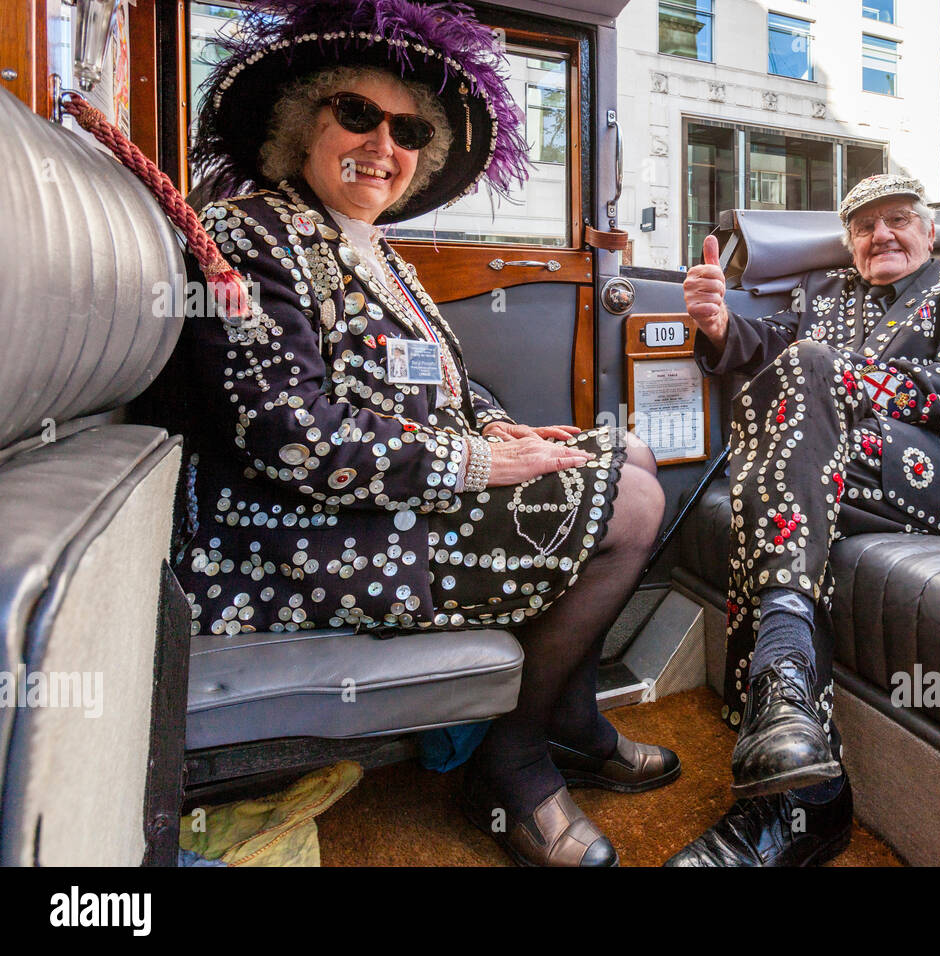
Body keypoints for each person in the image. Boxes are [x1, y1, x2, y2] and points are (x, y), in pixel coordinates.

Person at [170, 0, 674, 867]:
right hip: (288, 535)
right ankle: (513, 761)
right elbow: (294, 439)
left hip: (395, 495)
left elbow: (442, 382)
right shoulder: (247, 237)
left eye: (406, 130)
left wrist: (500, 427)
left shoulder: (381, 254)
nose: (383, 146)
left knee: (629, 451)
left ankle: (570, 715)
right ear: (302, 124)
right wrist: (480, 461)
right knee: (627, 504)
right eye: (356, 114)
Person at [667, 174, 940, 866]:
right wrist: (717, 326)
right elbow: (765, 343)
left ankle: (793, 777)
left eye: (897, 220)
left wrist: (826, 374)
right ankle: (800, 778)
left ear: (929, 230)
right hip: (844, 461)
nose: (880, 236)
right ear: (850, 242)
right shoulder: (826, 295)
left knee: (780, 452)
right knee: (786, 476)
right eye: (864, 227)